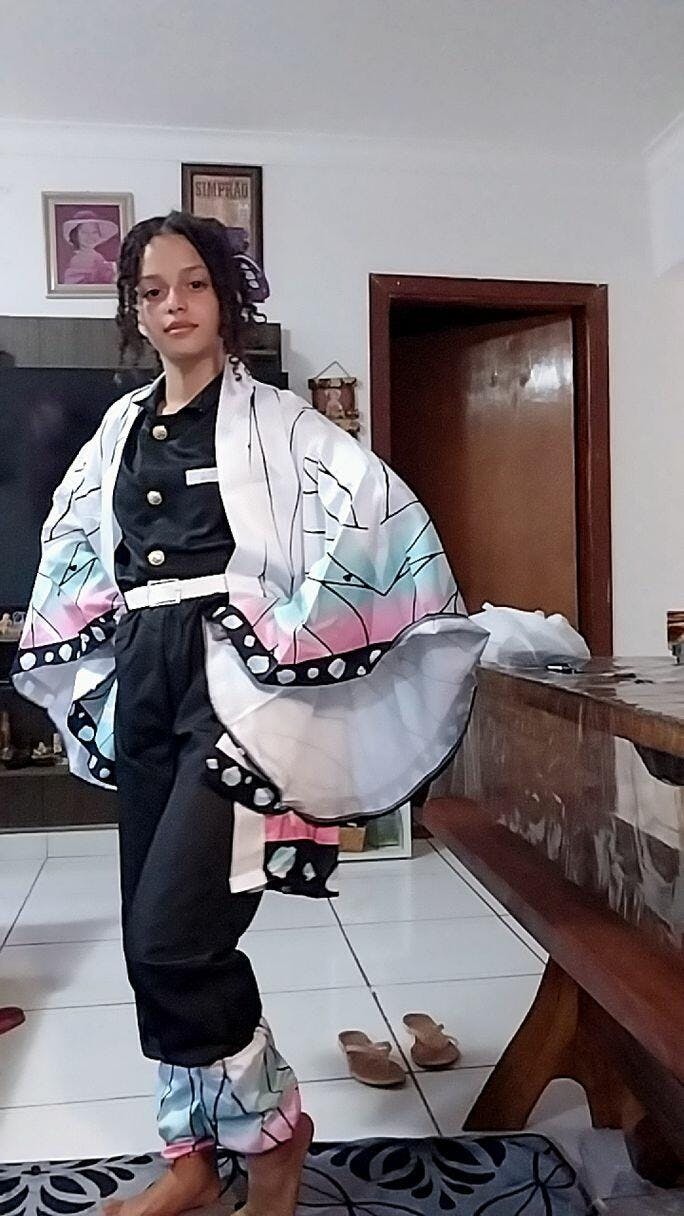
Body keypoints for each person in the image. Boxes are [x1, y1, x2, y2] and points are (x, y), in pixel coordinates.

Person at [12, 211, 487, 1216]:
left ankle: (272, 1137)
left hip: (235, 695)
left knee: (175, 938)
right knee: (149, 936)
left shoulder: (282, 423)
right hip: (144, 680)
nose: (173, 305)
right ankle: (191, 1156)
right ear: (134, 310)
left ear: (226, 298)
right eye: (151, 291)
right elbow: (75, 540)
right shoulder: (119, 426)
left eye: (193, 283)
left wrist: (287, 626)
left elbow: (376, 514)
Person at [62, 210, 117, 285]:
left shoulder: (98, 256)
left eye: (94, 232)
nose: (90, 236)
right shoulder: (78, 258)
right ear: (75, 235)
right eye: (84, 232)